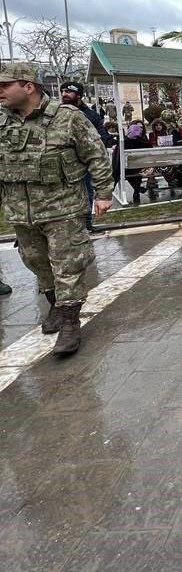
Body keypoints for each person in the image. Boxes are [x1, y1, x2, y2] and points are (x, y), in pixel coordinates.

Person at [0, 62, 113, 355]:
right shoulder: (3, 122)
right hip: (20, 211)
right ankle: (55, 306)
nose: (0, 92)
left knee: (67, 265)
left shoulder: (67, 117)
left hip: (63, 208)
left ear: (28, 86)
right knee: (35, 261)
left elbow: (96, 155)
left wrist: (103, 193)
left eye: (5, 86)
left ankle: (70, 322)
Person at [60, 81, 112, 233]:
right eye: (63, 91)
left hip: (84, 164)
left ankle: (86, 225)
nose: (64, 94)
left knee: (87, 194)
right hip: (63, 165)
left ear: (79, 95)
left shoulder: (90, 115)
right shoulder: (56, 113)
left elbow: (102, 136)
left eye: (68, 92)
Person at [113, 119, 151, 203]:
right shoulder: (143, 140)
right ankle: (137, 190)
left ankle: (137, 190)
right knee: (135, 170)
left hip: (133, 168)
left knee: (131, 169)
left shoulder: (125, 141)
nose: (139, 129)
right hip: (136, 168)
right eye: (136, 127)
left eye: (140, 127)